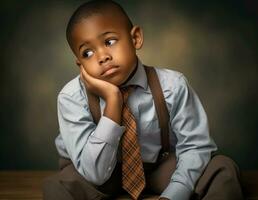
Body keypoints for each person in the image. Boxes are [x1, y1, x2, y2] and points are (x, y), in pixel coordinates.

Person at [43, 1, 244, 200]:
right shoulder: (71, 97)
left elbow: (194, 146)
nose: (102, 56)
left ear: (135, 38)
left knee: (221, 168)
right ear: (80, 63)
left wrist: (174, 194)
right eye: (87, 52)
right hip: (95, 172)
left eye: (110, 41)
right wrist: (113, 101)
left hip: (160, 166)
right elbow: (94, 173)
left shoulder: (172, 86)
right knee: (57, 187)